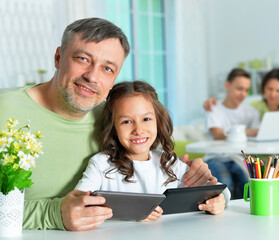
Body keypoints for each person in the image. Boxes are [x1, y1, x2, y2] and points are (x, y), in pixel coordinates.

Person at [0, 18, 216, 231]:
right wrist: (53, 214)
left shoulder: (115, 118)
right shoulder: (5, 110)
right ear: (58, 58)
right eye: (83, 59)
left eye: (107, 69)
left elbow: (151, 171)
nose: (92, 76)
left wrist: (201, 185)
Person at [75, 81, 230, 220]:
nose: (138, 129)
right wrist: (132, 212)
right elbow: (78, 204)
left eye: (146, 119)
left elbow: (222, 191)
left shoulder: (169, 163)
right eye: (127, 121)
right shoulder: (101, 164)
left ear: (158, 121)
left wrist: (217, 201)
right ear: (114, 128)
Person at [204, 68, 279, 194]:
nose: (273, 94)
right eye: (269, 89)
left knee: (273, 175)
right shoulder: (254, 107)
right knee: (244, 176)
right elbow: (252, 132)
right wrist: (210, 102)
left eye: (278, 91)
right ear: (263, 88)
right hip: (255, 158)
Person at [204, 68, 260, 199]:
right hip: (216, 157)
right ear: (227, 85)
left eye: (247, 90)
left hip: (239, 159)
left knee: (249, 182)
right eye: (239, 89)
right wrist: (249, 132)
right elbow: (217, 134)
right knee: (224, 182)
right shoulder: (213, 108)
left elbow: (258, 136)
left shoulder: (252, 112)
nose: (243, 94)